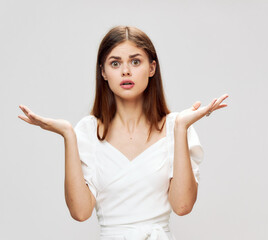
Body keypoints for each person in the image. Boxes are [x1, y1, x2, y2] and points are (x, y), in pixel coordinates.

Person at [18, 25, 229, 240]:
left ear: (152, 68)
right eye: (115, 63)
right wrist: (68, 134)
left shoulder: (176, 127)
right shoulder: (88, 131)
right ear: (103, 72)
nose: (125, 71)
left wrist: (181, 127)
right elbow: (80, 213)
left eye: (135, 62)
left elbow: (182, 206)